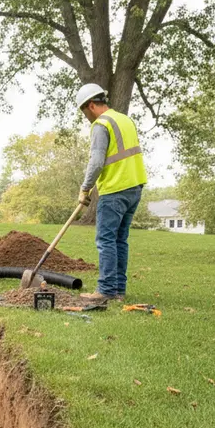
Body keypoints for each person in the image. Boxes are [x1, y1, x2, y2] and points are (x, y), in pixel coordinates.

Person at [75, 83, 147, 301]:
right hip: (135, 187)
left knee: (106, 240)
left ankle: (106, 290)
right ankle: (118, 291)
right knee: (120, 240)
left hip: (115, 190)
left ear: (90, 106)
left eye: (84, 112)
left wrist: (85, 188)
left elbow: (96, 162)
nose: (86, 117)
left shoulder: (101, 125)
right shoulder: (125, 120)